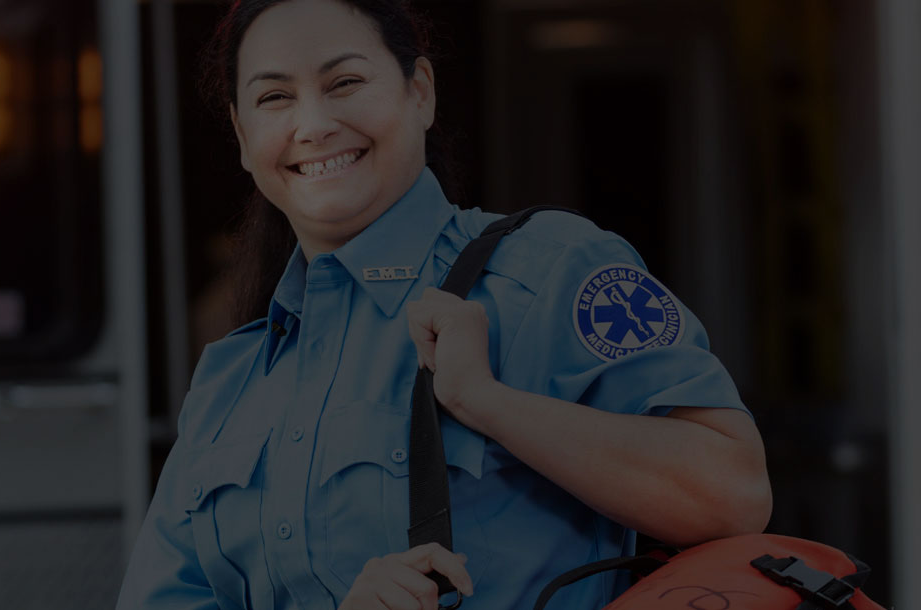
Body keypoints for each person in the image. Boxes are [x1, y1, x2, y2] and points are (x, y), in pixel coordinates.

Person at [116, 0, 772, 608]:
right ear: (240, 132)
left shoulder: (551, 269)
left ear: (419, 92)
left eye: (345, 83)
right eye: (274, 97)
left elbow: (732, 495)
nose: (312, 124)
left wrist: (486, 403)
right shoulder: (231, 380)